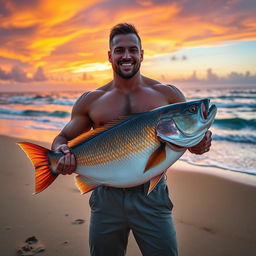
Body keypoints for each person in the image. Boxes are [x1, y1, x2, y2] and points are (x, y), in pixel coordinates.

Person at [51, 23, 212, 256]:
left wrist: (200, 145)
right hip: (106, 197)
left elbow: (187, 142)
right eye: (119, 50)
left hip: (152, 196)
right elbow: (63, 137)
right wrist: (61, 152)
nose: (126, 56)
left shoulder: (168, 95)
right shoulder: (92, 100)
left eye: (132, 50)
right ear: (109, 56)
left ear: (142, 54)